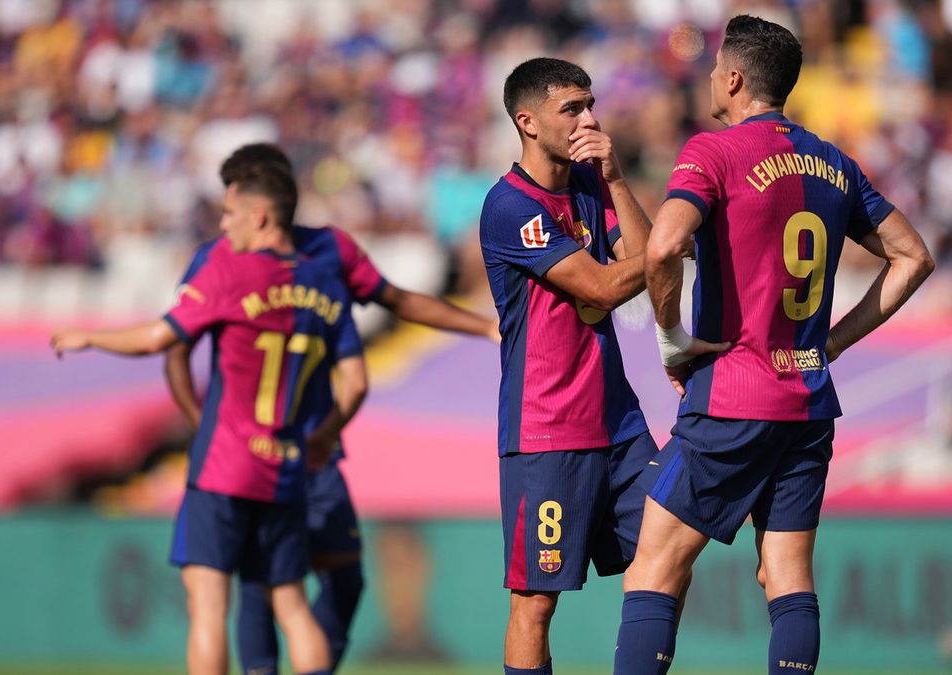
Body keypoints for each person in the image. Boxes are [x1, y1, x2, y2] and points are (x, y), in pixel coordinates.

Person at [614, 16, 935, 674]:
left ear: (733, 79)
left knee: (655, 564)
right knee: (786, 575)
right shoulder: (833, 163)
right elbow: (912, 257)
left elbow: (664, 243)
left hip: (733, 394)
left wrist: (674, 340)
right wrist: (834, 344)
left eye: (713, 68)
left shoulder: (713, 153)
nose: (708, 77)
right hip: (809, 401)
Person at [165, 143, 500, 674]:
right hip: (252, 449)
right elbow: (176, 348)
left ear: (264, 203)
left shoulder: (329, 251)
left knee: (342, 576)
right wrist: (196, 421)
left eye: (232, 204)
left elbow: (396, 299)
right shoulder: (218, 257)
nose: (226, 220)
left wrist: (482, 325)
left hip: (315, 447)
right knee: (265, 582)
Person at [52, 152, 357, 675]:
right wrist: (323, 435)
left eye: (230, 214)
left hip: (225, 463)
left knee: (208, 605)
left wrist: (89, 336)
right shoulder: (325, 283)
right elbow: (357, 379)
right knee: (291, 603)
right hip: (286, 466)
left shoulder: (228, 271)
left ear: (259, 216)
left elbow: (158, 338)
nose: (222, 225)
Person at [478, 57, 661, 675]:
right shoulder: (509, 207)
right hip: (550, 428)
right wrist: (671, 246)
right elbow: (608, 287)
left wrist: (613, 177)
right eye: (572, 109)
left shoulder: (589, 185)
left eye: (590, 104)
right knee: (536, 602)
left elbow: (643, 261)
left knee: (664, 557)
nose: (589, 118)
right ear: (527, 122)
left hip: (620, 420)